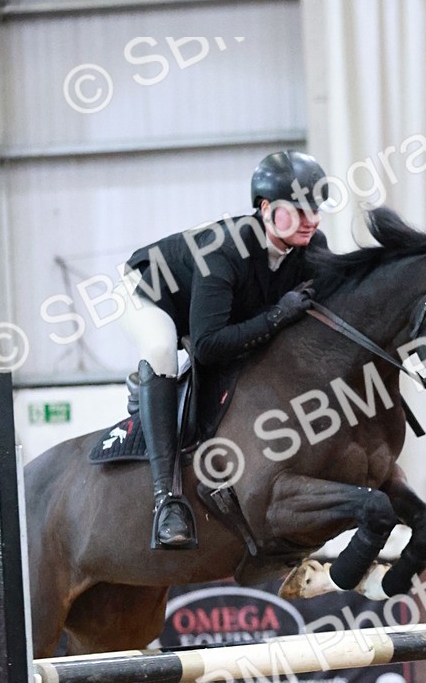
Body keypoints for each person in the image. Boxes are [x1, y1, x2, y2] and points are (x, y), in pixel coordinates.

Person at [120, 150, 333, 550]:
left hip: (216, 310)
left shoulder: (309, 244)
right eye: (300, 210)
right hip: (151, 295)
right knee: (163, 348)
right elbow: (206, 346)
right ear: (267, 209)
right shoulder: (225, 251)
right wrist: (274, 317)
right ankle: (167, 502)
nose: (313, 220)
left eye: (317, 209)